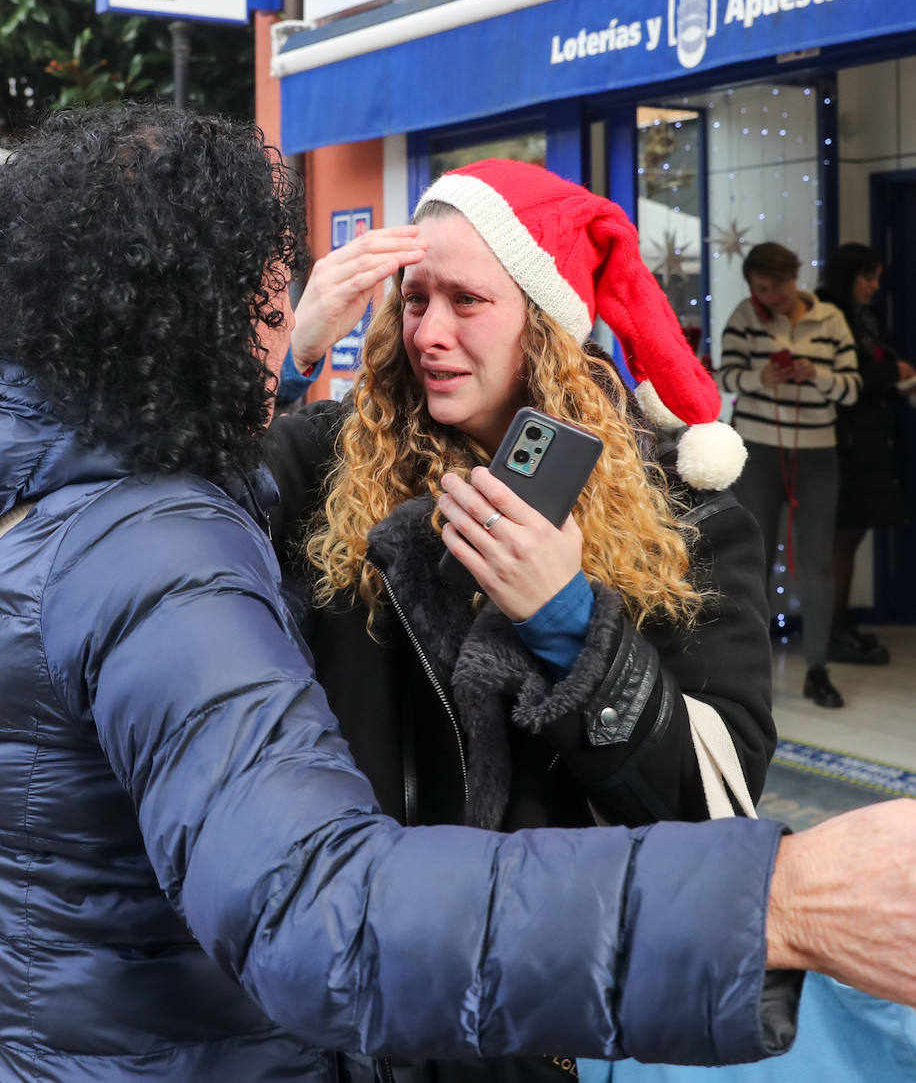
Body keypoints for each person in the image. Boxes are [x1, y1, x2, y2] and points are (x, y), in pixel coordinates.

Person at [4, 106, 916, 1083]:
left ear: (551, 327)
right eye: (414, 298)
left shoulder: (689, 518)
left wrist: (572, 622)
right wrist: (285, 353)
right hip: (353, 1022)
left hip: (543, 1022)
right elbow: (182, 522)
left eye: (466, 301)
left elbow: (716, 796)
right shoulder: (327, 461)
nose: (428, 331)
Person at [719, 243, 860, 709]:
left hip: (818, 454)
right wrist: (763, 378)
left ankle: (817, 668)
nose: (770, 296)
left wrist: (816, 375)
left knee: (816, 564)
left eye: (777, 286)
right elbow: (726, 376)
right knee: (752, 559)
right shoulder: (744, 314)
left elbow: (852, 389)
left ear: (795, 278)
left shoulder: (832, 319)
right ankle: (748, 671)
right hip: (758, 450)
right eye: (761, 289)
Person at [818, 242, 915, 666]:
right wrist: (890, 373)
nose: (875, 286)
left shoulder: (870, 317)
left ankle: (838, 621)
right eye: (867, 276)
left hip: (877, 434)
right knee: (841, 533)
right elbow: (843, 376)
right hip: (840, 437)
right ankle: (830, 625)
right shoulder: (823, 312)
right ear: (847, 275)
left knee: (854, 533)